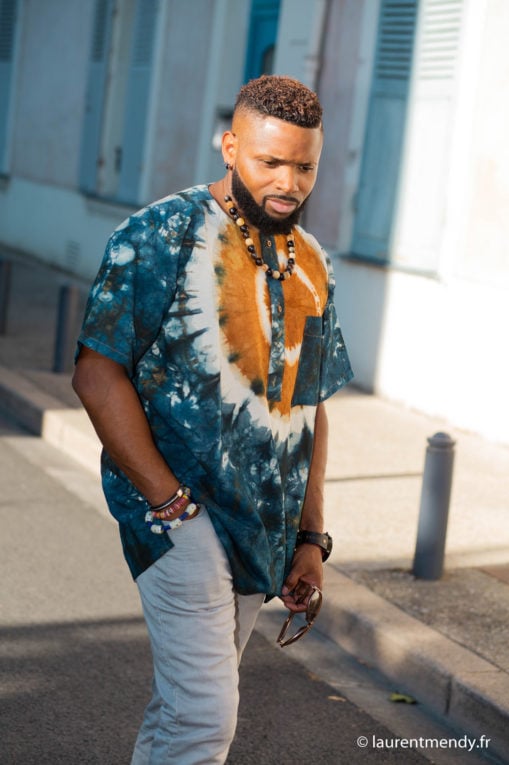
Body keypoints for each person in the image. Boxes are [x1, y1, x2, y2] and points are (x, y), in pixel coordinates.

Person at [72, 74, 353, 764]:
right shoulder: (159, 234)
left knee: (182, 711)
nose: (289, 182)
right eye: (270, 162)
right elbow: (95, 371)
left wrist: (310, 535)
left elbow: (307, 406)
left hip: (262, 531)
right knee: (204, 717)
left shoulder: (313, 264)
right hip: (179, 518)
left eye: (305, 165)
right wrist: (169, 500)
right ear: (230, 146)